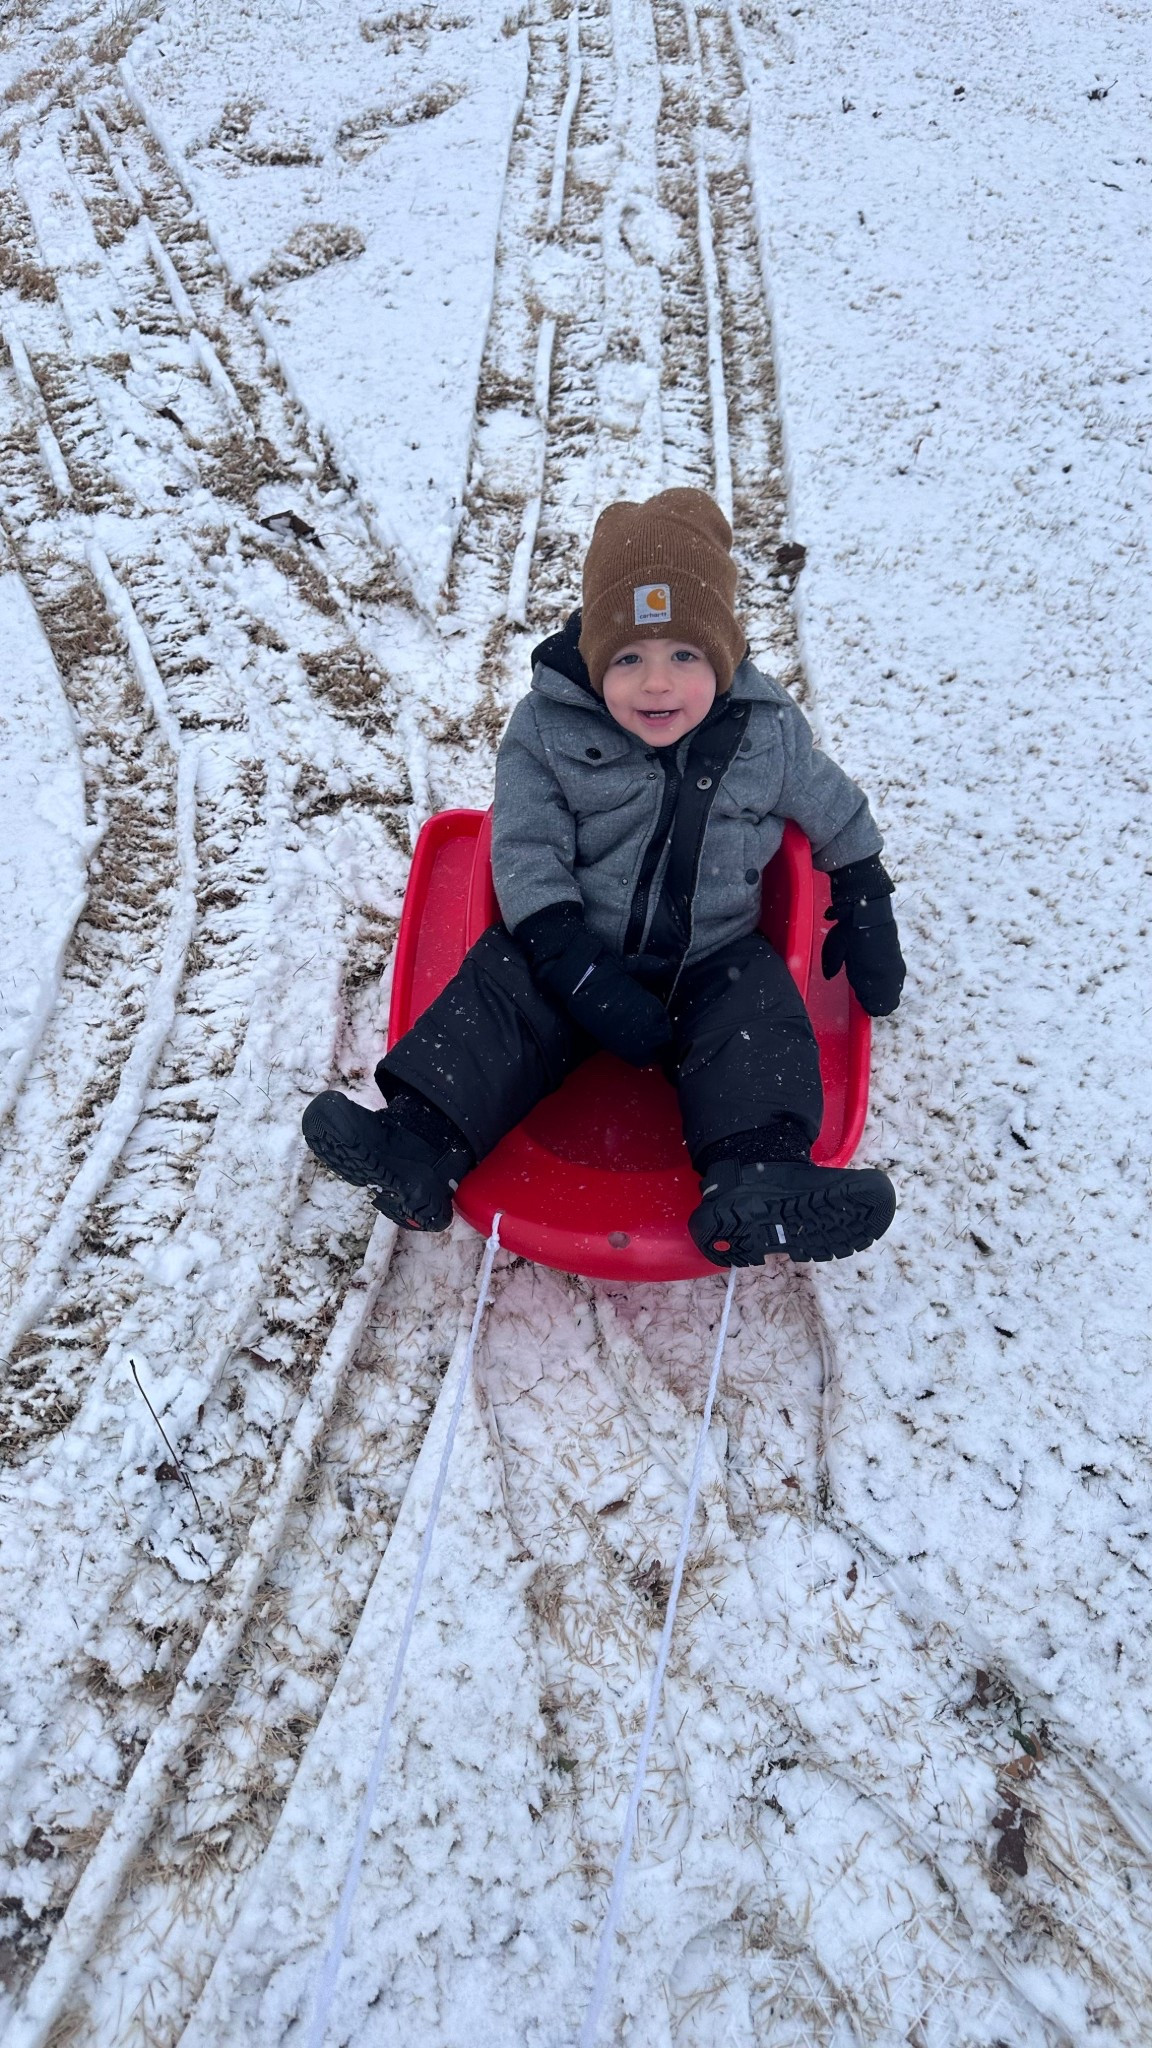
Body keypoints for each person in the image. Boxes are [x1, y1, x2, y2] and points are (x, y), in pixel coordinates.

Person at [302, 489, 905, 1266]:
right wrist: (571, 964)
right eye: (629, 658)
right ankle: (416, 1144)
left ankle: (757, 1182)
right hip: (574, 947)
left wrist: (863, 891)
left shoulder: (767, 734)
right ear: (593, 658)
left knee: (759, 1019)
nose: (657, 685)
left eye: (685, 655)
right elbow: (522, 849)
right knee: (499, 1000)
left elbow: (835, 809)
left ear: (721, 654)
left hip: (713, 957)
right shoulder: (547, 731)